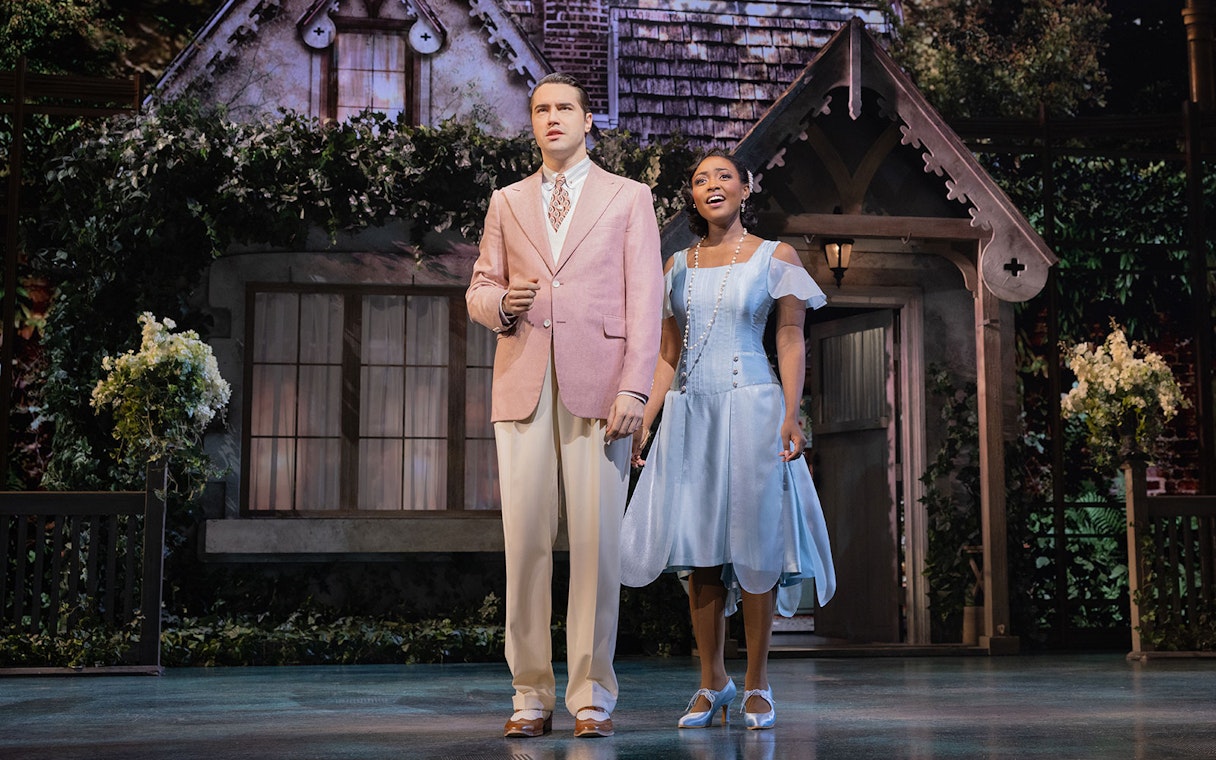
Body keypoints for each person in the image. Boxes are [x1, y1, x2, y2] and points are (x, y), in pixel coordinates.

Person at [466, 72, 663, 739]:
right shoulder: (506, 201)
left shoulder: (629, 197)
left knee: (595, 546)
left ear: (587, 121)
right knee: (525, 544)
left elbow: (646, 299)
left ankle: (591, 696)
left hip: (602, 387)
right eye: (540, 109)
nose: (552, 118)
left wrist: (635, 387)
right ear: (532, 123)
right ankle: (529, 695)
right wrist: (501, 303)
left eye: (564, 108)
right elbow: (479, 289)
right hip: (523, 382)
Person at [621, 150, 836, 730]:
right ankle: (712, 681)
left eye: (723, 176)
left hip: (754, 408)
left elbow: (790, 337)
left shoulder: (775, 256)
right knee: (700, 550)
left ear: (745, 187)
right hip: (693, 413)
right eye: (700, 179)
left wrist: (792, 413)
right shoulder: (675, 265)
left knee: (757, 546)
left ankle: (759, 683)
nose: (712, 184)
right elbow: (667, 355)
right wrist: (646, 417)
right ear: (692, 196)